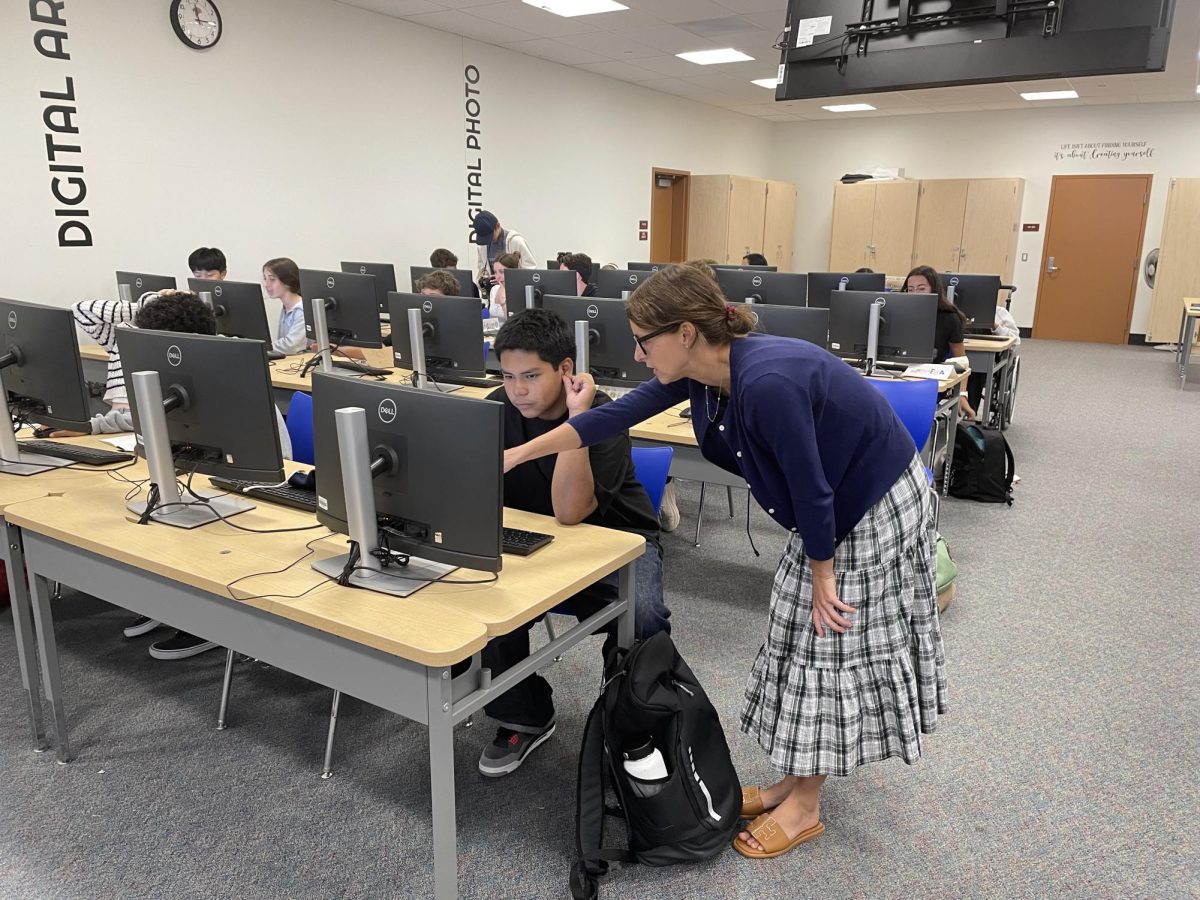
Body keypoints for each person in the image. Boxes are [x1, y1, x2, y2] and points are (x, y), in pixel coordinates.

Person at [499, 264, 946, 858]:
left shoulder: (766, 382)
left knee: (824, 640)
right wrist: (515, 454)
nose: (634, 354)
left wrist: (821, 574)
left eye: (643, 339)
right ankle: (794, 781)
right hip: (834, 505)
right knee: (793, 631)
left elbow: (813, 490)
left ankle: (806, 807)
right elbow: (606, 418)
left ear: (685, 333)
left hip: (871, 502)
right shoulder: (706, 374)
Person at [476, 308, 670, 777]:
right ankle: (524, 715)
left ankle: (627, 723)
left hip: (616, 544)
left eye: (530, 376)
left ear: (565, 370)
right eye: (507, 376)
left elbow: (569, 511)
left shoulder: (603, 414)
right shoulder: (493, 409)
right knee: (480, 597)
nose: (517, 389)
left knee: (642, 616)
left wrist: (579, 419)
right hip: (534, 539)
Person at [96, 293, 293, 658]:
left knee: (177, 519)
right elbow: (142, 415)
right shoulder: (177, 380)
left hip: (252, 485)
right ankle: (170, 603)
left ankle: (211, 616)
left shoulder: (229, 373)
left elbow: (270, 462)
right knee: (145, 513)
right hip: (202, 475)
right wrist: (90, 426)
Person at [904, 265, 974, 419]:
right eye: (910, 289)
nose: (915, 294)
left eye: (921, 288)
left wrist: (962, 394)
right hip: (898, 373)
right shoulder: (898, 314)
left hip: (929, 379)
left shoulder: (949, 319)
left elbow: (961, 361)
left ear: (934, 289)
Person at [472, 210, 535, 293]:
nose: (488, 240)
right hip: (494, 296)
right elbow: (481, 271)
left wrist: (505, 280)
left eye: (490, 236)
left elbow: (530, 273)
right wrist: (484, 282)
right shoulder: (483, 246)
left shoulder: (516, 242)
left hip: (516, 294)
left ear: (498, 226)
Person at [263, 257, 307, 356]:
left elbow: (291, 346)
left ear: (287, 281)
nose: (266, 284)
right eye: (265, 279)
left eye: (272, 279)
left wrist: (262, 347)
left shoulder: (302, 310)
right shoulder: (285, 307)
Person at [486, 252, 521, 323]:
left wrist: (503, 303)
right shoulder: (494, 289)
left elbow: (514, 323)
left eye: (501, 272)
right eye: (495, 272)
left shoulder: (519, 292)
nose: (497, 277)